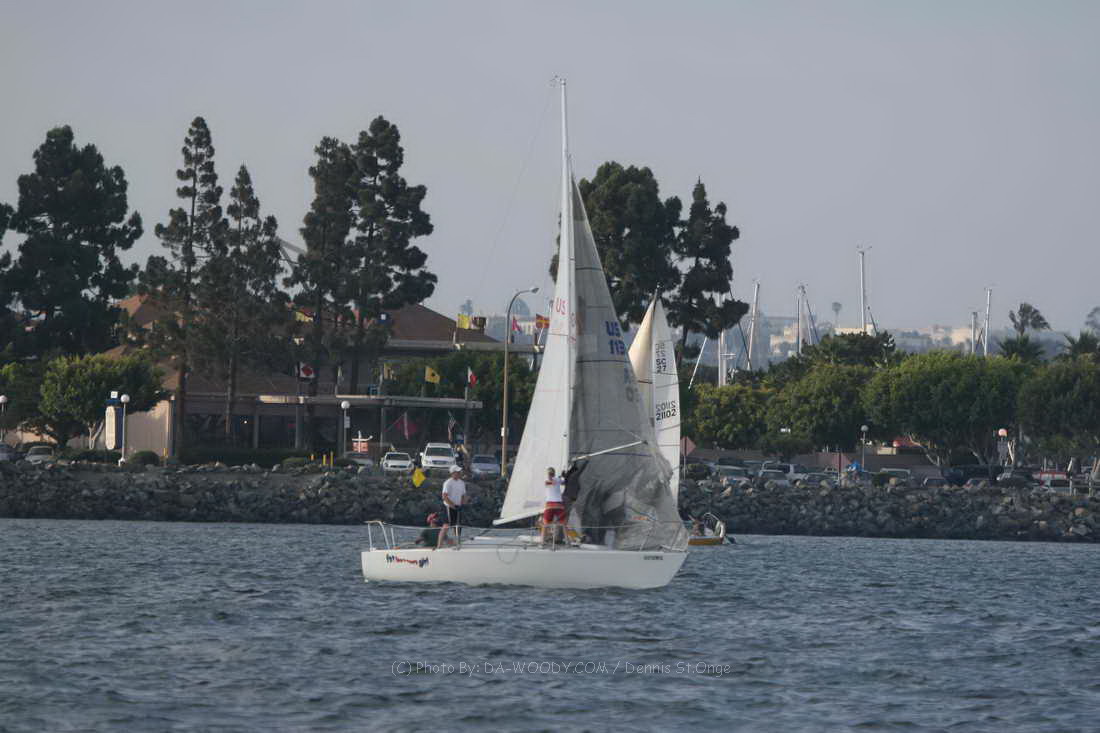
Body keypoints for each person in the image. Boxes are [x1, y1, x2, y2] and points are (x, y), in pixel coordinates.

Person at [441, 465, 467, 543]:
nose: (459, 473)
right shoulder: (448, 483)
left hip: (458, 507)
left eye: (459, 472)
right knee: (447, 525)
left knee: (458, 525)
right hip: (449, 507)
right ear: (452, 473)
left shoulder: (462, 483)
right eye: (457, 472)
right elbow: (444, 496)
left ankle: (458, 542)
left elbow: (463, 495)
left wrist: (462, 504)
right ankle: (439, 544)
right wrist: (453, 506)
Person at [541, 466, 566, 545]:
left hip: (550, 505)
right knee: (563, 524)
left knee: (545, 524)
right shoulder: (556, 480)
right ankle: (568, 542)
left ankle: (542, 542)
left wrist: (560, 478)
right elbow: (562, 483)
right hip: (559, 505)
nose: (550, 475)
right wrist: (562, 477)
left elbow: (551, 482)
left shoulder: (547, 480)